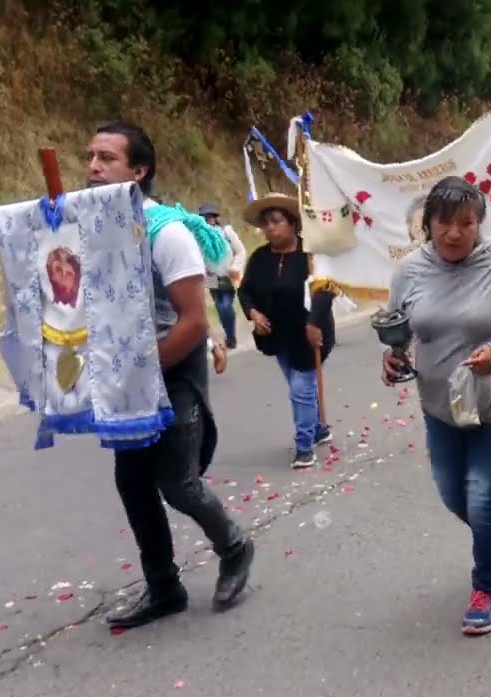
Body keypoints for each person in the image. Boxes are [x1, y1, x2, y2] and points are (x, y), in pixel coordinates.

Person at [86, 121, 253, 629]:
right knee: (133, 484)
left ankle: (236, 548)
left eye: (107, 158)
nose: (93, 167)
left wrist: (139, 370)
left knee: (178, 484)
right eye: (90, 157)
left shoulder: (167, 234)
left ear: (139, 171)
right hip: (125, 381)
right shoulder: (95, 228)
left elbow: (193, 322)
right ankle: (164, 588)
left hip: (173, 375)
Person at [382, 176, 491, 635]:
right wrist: (393, 357)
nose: (454, 233)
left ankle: (486, 591)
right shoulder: (409, 271)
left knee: (481, 499)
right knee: (452, 495)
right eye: (444, 222)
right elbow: (401, 330)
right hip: (440, 408)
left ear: (479, 223)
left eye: (466, 222)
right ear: (428, 224)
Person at [237, 193, 330, 469]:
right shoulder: (259, 258)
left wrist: (315, 323)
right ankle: (317, 428)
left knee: (300, 389)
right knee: (299, 386)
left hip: (309, 333)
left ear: (292, 224)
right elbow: (245, 291)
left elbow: (326, 290)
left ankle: (304, 447)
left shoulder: (310, 255)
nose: (270, 228)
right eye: (266, 223)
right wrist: (254, 314)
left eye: (276, 221)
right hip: (276, 336)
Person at [198, 204, 247, 349]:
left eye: (210, 217)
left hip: (228, 275)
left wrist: (235, 267)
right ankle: (229, 335)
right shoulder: (199, 238)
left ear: (214, 218)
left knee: (225, 306)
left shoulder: (226, 232)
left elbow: (241, 251)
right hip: (211, 276)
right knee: (219, 306)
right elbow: (199, 258)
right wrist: (204, 271)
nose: (208, 220)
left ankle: (231, 336)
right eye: (205, 218)